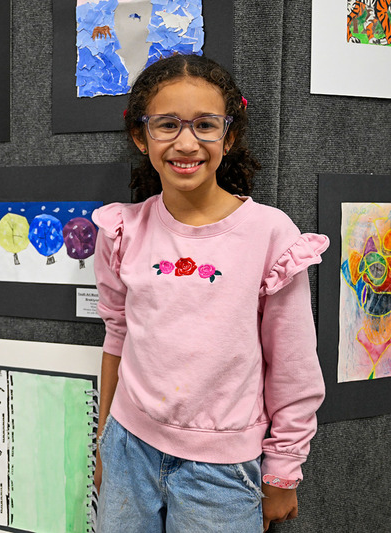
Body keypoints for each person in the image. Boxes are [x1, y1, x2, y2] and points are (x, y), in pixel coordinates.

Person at [92, 54, 328, 532]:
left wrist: (284, 469)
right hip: (128, 446)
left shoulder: (270, 235)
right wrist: (102, 443)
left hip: (221, 471)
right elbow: (117, 337)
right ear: (141, 135)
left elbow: (293, 365)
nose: (186, 142)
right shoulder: (121, 230)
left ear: (229, 135)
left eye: (204, 124)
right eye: (167, 125)